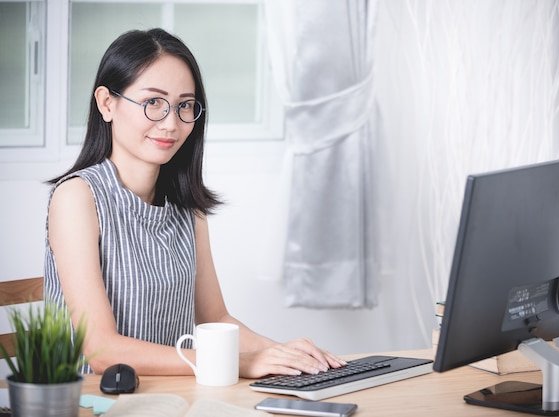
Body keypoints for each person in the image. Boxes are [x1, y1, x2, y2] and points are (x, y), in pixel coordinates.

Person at [44, 28, 346, 377]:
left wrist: (282, 353)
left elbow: (215, 317)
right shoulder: (77, 198)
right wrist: (238, 363)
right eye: (152, 102)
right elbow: (101, 350)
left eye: (184, 105)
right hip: (91, 402)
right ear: (106, 103)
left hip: (173, 397)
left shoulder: (188, 207)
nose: (171, 123)